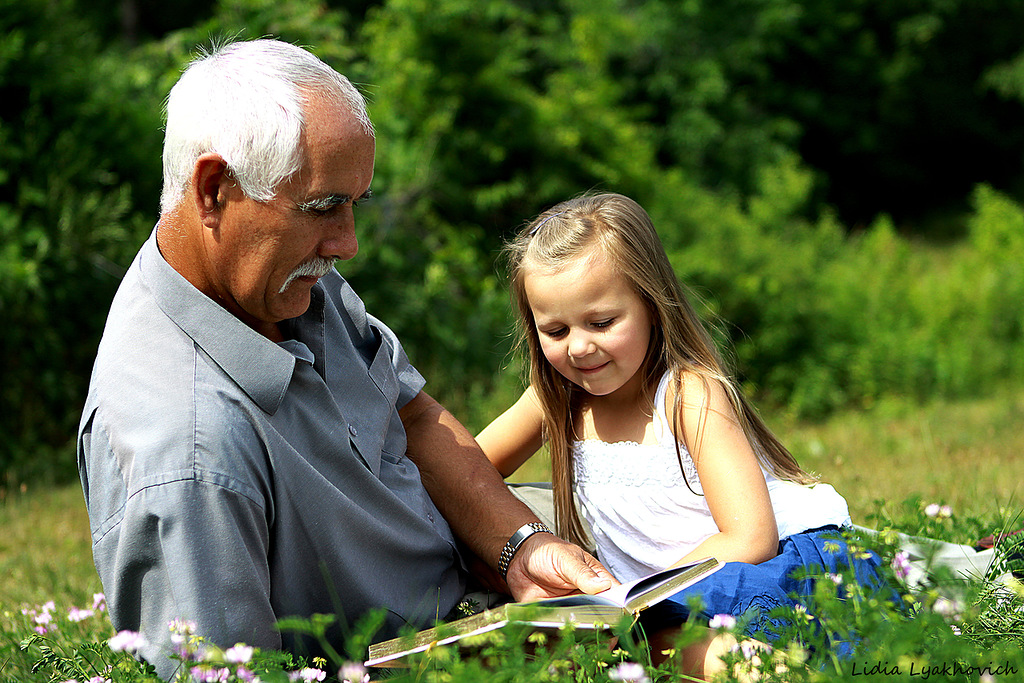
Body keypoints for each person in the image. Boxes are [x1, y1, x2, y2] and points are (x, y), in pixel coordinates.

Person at [76, 39, 615, 680]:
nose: (348, 243)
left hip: (483, 577)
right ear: (214, 189)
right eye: (324, 207)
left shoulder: (275, 278)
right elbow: (227, 674)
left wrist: (518, 547)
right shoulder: (188, 450)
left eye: (354, 202)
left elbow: (412, 416)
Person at [476, 192, 891, 677]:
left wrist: (636, 597)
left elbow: (751, 536)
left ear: (651, 304)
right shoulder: (555, 400)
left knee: (680, 641)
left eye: (603, 322)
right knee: (632, 645)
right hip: (657, 603)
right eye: (556, 330)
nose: (580, 346)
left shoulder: (687, 395)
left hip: (772, 565)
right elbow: (467, 473)